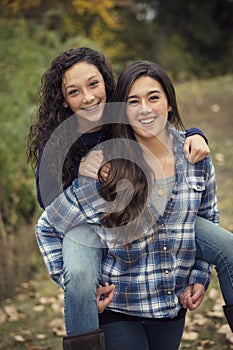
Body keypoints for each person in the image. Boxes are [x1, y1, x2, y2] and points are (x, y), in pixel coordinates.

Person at [27, 47, 215, 344]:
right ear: (64, 100)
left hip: (132, 233)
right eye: (74, 92)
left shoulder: (123, 123)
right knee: (79, 278)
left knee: (224, 246)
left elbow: (160, 126)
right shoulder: (60, 139)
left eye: (93, 84)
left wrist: (195, 132)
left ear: (107, 84)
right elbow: (48, 206)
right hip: (81, 228)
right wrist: (83, 175)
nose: (88, 97)